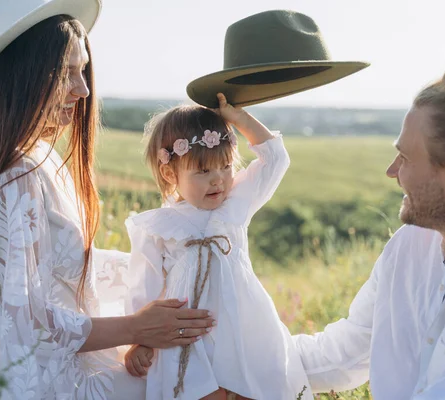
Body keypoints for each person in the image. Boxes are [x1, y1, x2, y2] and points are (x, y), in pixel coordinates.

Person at [0, 0, 214, 398]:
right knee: (206, 380)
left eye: (82, 70)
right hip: (49, 380)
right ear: (22, 76)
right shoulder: (13, 177)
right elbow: (23, 323)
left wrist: (170, 259)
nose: (83, 89)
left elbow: (67, 270)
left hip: (71, 358)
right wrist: (136, 326)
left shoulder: (40, 156)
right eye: (66, 73)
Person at [292, 63, 445, 399]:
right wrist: (229, 364)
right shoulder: (410, 244)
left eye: (405, 157)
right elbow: (344, 353)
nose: (392, 171)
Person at [122, 93, 311, 400]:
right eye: (203, 171)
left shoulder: (237, 202)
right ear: (171, 174)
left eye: (225, 166)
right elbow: (144, 286)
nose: (218, 181)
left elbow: (276, 159)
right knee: (195, 388)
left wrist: (238, 118)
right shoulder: (158, 225)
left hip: (242, 324)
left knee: (255, 385)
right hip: (187, 332)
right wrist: (140, 339)